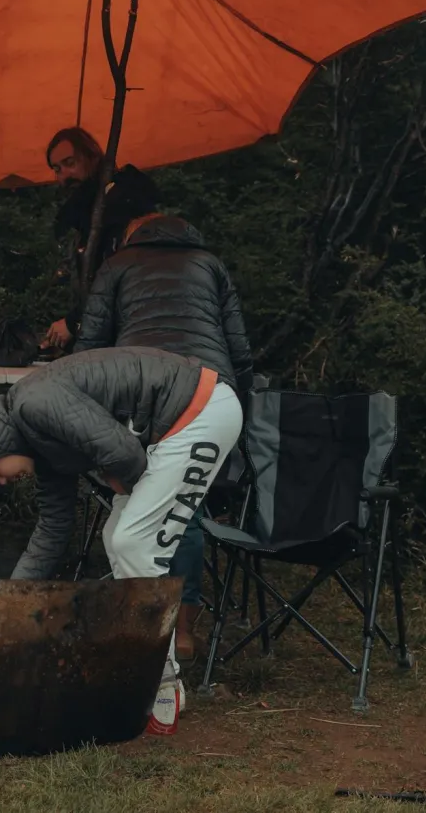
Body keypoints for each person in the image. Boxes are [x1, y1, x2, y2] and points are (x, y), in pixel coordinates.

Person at [0, 347, 243, 735]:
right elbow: (52, 530)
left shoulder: (34, 403)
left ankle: (163, 683)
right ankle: (141, 669)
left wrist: (122, 483)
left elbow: (122, 453)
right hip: (176, 423)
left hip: (201, 410)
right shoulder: (41, 441)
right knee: (117, 537)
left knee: (133, 542)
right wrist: (8, 604)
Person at [75, 213, 253, 662]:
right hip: (211, 393)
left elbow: (91, 345)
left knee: (135, 517)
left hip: (143, 396)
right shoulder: (209, 263)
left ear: (132, 236)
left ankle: (147, 643)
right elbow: (239, 346)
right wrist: (238, 406)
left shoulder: (117, 263)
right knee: (183, 514)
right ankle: (181, 632)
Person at [42, 127, 159, 350]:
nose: (64, 175)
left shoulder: (121, 204)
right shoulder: (85, 215)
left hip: (132, 340)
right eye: (57, 169)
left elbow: (121, 282)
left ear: (92, 157)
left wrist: (74, 322)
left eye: (70, 163)